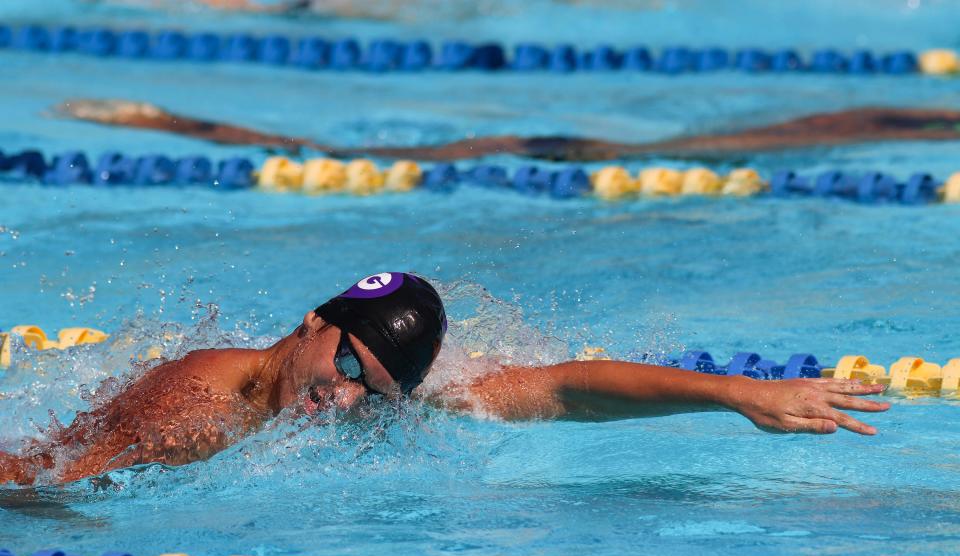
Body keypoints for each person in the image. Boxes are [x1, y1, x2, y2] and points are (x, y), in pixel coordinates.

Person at [0, 272, 888, 486]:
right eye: (345, 363)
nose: (341, 396)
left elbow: (565, 388)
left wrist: (743, 395)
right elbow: (47, 481)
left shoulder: (384, 392)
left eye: (371, 389)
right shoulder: (194, 412)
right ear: (315, 321)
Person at [56, 100, 960, 162]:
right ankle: (178, 121)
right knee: (363, 160)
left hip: (589, 155)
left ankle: (179, 120)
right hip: (582, 157)